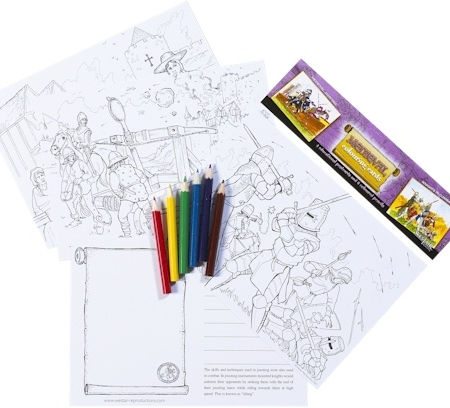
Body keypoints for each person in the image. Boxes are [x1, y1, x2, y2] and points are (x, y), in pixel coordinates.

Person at [108, 151, 151, 237]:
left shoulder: (114, 173)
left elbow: (115, 188)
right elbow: (142, 176)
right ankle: (153, 228)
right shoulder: (130, 167)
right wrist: (139, 186)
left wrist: (122, 195)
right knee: (148, 211)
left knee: (122, 216)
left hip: (128, 195)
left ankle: (127, 235)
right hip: (140, 190)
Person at [60, 147, 102, 227]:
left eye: (72, 155)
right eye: (69, 156)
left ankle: (97, 217)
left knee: (89, 203)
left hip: (84, 186)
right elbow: (65, 180)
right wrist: (63, 191)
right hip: (74, 188)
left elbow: (89, 173)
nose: (72, 157)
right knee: (70, 202)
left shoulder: (80, 163)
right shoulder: (67, 167)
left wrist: (81, 179)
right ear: (66, 158)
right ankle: (76, 219)